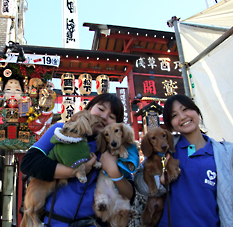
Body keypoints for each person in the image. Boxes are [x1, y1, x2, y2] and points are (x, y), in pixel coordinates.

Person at [20, 93, 138, 227]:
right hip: (54, 222)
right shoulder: (61, 131)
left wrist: (113, 172)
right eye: (101, 109)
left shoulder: (116, 149)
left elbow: (129, 194)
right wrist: (74, 171)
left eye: (111, 116)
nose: (104, 117)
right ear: (88, 108)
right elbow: (28, 162)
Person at [134, 94, 233, 227]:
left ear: (196, 111)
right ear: (171, 125)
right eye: (174, 115)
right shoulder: (164, 150)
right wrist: (160, 182)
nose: (182, 117)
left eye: (185, 109)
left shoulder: (225, 153)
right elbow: (139, 182)